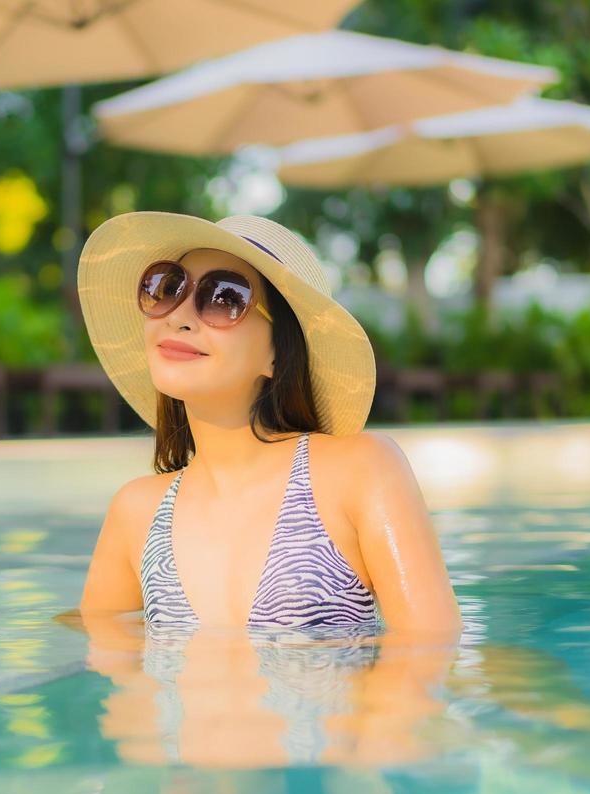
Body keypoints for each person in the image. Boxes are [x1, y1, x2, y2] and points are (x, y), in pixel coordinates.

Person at [73, 210, 462, 637]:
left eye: (224, 298)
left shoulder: (359, 471)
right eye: (167, 288)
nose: (178, 317)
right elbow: (111, 674)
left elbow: (428, 653)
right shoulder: (136, 512)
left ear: (278, 352)